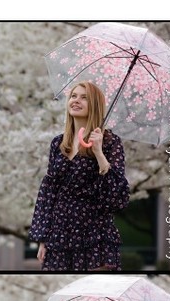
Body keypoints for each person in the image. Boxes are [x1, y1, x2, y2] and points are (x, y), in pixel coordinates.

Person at [29, 81, 130, 271]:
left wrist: (99, 154)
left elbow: (117, 197)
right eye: (74, 96)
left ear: (95, 105)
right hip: (58, 235)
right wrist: (43, 238)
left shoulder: (110, 142)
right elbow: (48, 192)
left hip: (93, 235)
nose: (76, 100)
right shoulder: (58, 144)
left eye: (84, 97)